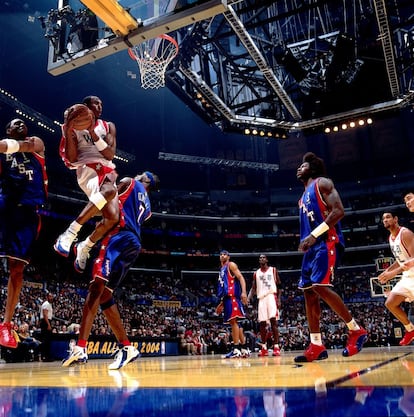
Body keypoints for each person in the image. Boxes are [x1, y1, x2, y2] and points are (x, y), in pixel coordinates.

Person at [62, 171, 159, 370]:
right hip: (134, 244)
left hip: (118, 235)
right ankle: (127, 347)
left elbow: (105, 202)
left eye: (142, 174)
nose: (138, 174)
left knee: (95, 287)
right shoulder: (148, 207)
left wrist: (86, 215)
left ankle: (80, 347)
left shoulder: (129, 181)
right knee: (106, 295)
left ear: (146, 180)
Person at [295, 152, 367, 362]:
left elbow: (338, 211)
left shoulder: (322, 183)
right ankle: (316, 344)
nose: (299, 168)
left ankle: (356, 330)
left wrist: (313, 236)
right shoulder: (301, 198)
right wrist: (308, 240)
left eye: (304, 165)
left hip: (326, 242)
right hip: (311, 248)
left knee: (319, 286)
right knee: (308, 293)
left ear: (313, 168)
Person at [54, 95, 119, 273]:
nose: (100, 106)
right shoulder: (74, 126)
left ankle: (85, 245)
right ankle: (70, 233)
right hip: (87, 167)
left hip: (106, 167)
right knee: (108, 191)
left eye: (101, 103)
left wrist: (91, 132)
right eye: (96, 103)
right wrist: (68, 130)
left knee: (113, 218)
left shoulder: (108, 126)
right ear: (85, 107)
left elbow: (110, 154)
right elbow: (72, 158)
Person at [0, 118, 48, 349]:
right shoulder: (2, 152)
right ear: (8, 130)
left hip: (28, 212)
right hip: (5, 206)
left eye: (22, 123)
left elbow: (16, 146)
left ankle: (6, 325)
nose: (20, 125)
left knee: (17, 269)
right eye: (14, 124)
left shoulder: (36, 143)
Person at [378, 210, 414, 345]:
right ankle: (410, 329)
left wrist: (393, 273)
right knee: (390, 303)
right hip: (408, 276)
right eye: (383, 218)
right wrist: (387, 271)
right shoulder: (391, 238)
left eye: (388, 217)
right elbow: (400, 260)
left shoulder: (405, 233)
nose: (385, 220)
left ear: (395, 219)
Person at [216, 250, 250, 358]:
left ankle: (236, 349)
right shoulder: (222, 269)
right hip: (227, 298)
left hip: (232, 298)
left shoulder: (230, 265)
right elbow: (224, 288)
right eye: (221, 254)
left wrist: (244, 292)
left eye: (225, 254)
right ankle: (243, 348)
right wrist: (222, 302)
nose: (222, 256)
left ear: (229, 257)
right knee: (236, 323)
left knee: (234, 322)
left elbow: (241, 277)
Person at [248, 254, 281, 357]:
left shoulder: (273, 270)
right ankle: (264, 348)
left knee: (273, 322)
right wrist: (248, 297)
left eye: (263, 257)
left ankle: (276, 347)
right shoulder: (256, 273)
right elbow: (253, 288)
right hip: (261, 298)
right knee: (262, 324)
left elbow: (279, 285)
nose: (261, 259)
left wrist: (279, 299)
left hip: (271, 296)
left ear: (267, 260)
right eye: (260, 258)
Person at [39, 292, 54, 361]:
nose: (51, 298)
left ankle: (46, 356)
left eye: (52, 296)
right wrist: (48, 324)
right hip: (45, 322)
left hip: (47, 321)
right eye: (50, 296)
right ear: (47, 297)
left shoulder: (49, 304)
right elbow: (45, 315)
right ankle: (45, 356)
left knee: (47, 340)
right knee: (45, 340)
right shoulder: (46, 304)